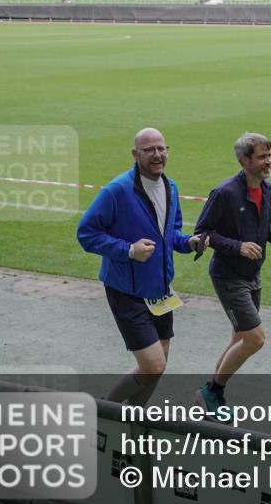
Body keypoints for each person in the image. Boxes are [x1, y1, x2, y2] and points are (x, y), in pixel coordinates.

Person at [77, 128, 205, 406]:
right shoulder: (117, 191)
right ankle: (106, 411)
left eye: (161, 148)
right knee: (153, 366)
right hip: (127, 292)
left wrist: (190, 243)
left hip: (160, 292)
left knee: (156, 369)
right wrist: (128, 250)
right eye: (149, 150)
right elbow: (86, 233)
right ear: (136, 155)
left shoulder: (171, 188)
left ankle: (132, 421)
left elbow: (170, 235)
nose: (157, 155)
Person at [193, 133, 271, 420]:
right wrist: (237, 247)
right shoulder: (225, 193)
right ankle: (212, 391)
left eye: (269, 156)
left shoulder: (267, 188)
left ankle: (211, 397)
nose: (268, 162)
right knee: (255, 338)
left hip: (253, 274)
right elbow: (201, 234)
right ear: (244, 160)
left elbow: (263, 225)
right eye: (262, 157)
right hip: (229, 276)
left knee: (240, 337)